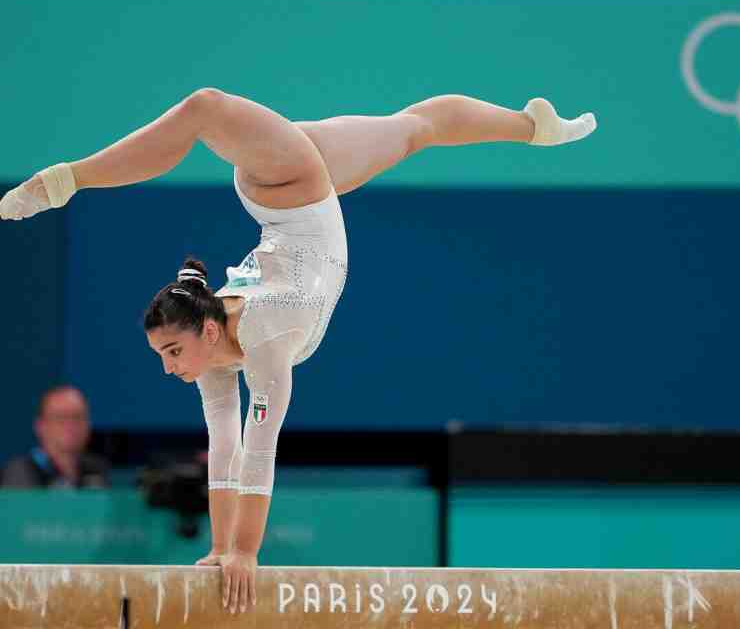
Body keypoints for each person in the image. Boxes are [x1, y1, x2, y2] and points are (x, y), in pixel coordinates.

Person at [0, 89, 596, 613]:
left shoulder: (260, 338)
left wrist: (246, 552)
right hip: (309, 192)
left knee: (205, 107)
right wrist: (220, 548)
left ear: (204, 333)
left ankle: (67, 179)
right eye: (163, 357)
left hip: (285, 191)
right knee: (417, 128)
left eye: (171, 351)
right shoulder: (227, 353)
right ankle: (531, 125)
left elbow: (258, 456)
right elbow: (229, 448)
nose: (169, 368)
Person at [1, 385, 110, 489]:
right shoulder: (20, 473)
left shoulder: (96, 472)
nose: (70, 425)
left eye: (78, 417)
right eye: (60, 417)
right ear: (40, 426)